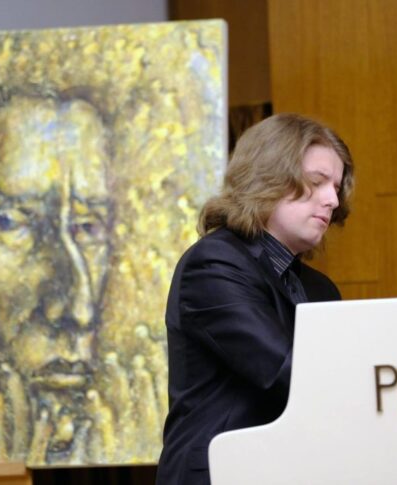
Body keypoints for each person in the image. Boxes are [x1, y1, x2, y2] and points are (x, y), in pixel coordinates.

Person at [156, 113, 354, 485]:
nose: (332, 200)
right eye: (317, 182)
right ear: (267, 178)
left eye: (336, 188)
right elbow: (285, 370)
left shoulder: (322, 289)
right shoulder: (213, 264)